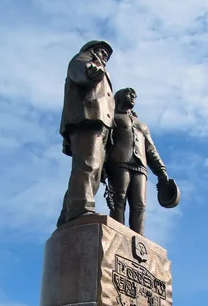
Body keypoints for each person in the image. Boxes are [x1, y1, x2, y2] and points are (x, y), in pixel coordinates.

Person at [56, 40, 115, 227]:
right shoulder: (84, 59)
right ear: (91, 50)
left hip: (101, 124)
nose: (104, 55)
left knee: (94, 171)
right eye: (101, 50)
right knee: (87, 165)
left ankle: (68, 215)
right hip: (87, 118)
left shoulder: (103, 70)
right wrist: (91, 71)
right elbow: (80, 71)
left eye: (107, 53)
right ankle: (80, 209)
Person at [105, 87, 170, 236]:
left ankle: (138, 239)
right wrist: (103, 167)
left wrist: (161, 171)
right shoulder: (112, 117)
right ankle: (117, 234)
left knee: (139, 204)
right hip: (119, 163)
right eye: (129, 93)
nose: (133, 96)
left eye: (135, 95)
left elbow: (151, 150)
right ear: (120, 97)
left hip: (140, 167)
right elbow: (104, 143)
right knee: (118, 200)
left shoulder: (142, 125)